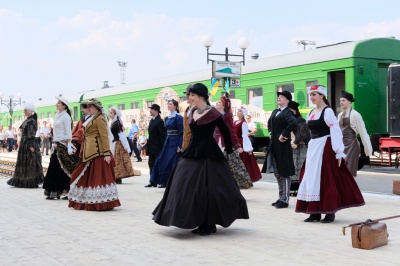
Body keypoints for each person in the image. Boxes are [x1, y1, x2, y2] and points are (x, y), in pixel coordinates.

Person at [153, 83, 249, 236]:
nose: (189, 98)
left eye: (192, 95)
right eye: (188, 95)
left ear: (201, 96)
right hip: (192, 152)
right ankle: (197, 220)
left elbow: (226, 132)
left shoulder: (214, 114)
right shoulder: (191, 112)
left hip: (210, 154)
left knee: (210, 190)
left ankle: (209, 224)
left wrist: (230, 151)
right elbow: (189, 134)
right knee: (183, 185)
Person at [295, 85, 365, 223]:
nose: (312, 97)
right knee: (311, 177)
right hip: (314, 147)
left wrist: (339, 152)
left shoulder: (327, 112)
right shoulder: (311, 112)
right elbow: (310, 132)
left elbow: (336, 132)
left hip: (325, 146)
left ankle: (329, 212)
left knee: (326, 178)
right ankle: (314, 212)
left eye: (314, 94)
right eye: (310, 95)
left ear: (322, 95)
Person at [68, 98, 121, 211]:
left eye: (90, 106)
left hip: (98, 153)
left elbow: (104, 137)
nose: (88, 108)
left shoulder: (100, 118)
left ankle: (101, 202)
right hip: (89, 152)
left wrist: (107, 153)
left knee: (98, 178)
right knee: (86, 177)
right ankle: (87, 200)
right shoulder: (93, 118)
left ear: (95, 107)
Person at [261, 91, 297, 209]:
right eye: (279, 97)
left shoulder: (287, 112)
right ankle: (281, 197)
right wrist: (271, 133)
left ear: (287, 100)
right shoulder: (275, 111)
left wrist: (284, 134)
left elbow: (293, 123)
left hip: (283, 146)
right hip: (274, 145)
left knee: (284, 172)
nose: (279, 98)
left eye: (282, 97)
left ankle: (285, 199)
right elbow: (269, 123)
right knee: (277, 172)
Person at [42, 96, 79, 200]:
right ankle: (55, 191)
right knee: (55, 168)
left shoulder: (66, 117)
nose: (56, 104)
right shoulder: (58, 115)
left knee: (64, 168)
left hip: (63, 145)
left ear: (64, 106)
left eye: (59, 103)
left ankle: (67, 190)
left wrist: (68, 146)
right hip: (56, 144)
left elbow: (68, 133)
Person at [215, 96, 253, 189]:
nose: (217, 103)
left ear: (224, 106)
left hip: (224, 144)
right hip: (215, 142)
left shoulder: (227, 117)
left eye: (219, 103)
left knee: (229, 168)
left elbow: (231, 132)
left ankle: (231, 188)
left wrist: (237, 145)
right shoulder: (215, 115)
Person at [7, 103, 44, 188]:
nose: (24, 112)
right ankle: (24, 180)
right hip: (25, 144)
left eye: (25, 110)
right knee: (25, 162)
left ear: (30, 111)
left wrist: (31, 146)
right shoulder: (28, 120)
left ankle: (30, 181)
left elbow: (31, 134)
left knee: (30, 162)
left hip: (29, 144)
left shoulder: (32, 121)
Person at [337, 91, 373, 177]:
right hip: (342, 145)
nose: (341, 102)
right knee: (340, 170)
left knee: (349, 171)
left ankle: (349, 189)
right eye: (340, 101)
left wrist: (368, 150)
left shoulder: (355, 115)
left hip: (352, 146)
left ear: (349, 102)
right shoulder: (340, 115)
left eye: (343, 100)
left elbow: (363, 132)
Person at [149, 99, 183, 188]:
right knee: (162, 161)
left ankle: (173, 182)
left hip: (175, 142)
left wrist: (180, 145)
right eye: (168, 104)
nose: (168, 105)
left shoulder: (178, 117)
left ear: (175, 106)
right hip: (168, 142)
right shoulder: (167, 118)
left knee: (171, 162)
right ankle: (163, 181)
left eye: (170, 104)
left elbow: (181, 132)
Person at [234, 106, 262, 183]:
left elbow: (245, 136)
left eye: (240, 111)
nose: (238, 112)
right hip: (235, 143)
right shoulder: (235, 122)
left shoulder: (243, 123)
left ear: (243, 114)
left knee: (243, 162)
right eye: (238, 111)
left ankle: (243, 179)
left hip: (241, 143)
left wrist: (249, 148)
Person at [288, 101, 310, 195]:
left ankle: (300, 189)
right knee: (292, 167)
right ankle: (292, 189)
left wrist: (296, 142)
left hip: (300, 146)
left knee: (300, 167)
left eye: (291, 110)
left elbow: (302, 134)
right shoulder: (287, 121)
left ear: (295, 111)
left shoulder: (301, 121)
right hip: (291, 146)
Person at [109, 106, 135, 184]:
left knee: (118, 161)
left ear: (115, 114)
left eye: (111, 113)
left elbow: (122, 135)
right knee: (116, 161)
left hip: (118, 144)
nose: (110, 114)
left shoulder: (117, 123)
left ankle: (118, 178)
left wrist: (126, 147)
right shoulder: (113, 122)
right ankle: (116, 177)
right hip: (114, 142)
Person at [144, 104, 166, 186]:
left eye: (152, 109)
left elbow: (163, 135)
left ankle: (160, 181)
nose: (150, 111)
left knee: (158, 164)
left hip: (157, 147)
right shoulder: (152, 120)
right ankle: (152, 181)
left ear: (156, 110)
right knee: (151, 163)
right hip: (151, 146)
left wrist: (164, 146)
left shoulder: (160, 121)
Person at [181, 84, 194, 152]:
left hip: (194, 147)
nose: (187, 96)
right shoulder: (187, 109)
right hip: (186, 145)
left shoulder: (198, 110)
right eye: (187, 94)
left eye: (190, 94)